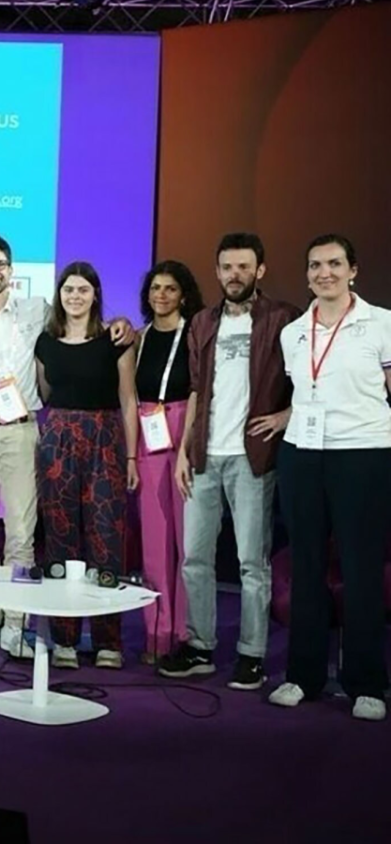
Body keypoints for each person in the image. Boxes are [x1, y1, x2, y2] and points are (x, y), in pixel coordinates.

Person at [0, 234, 134, 658]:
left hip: (21, 428)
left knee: (20, 534)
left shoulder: (36, 312)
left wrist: (128, 325)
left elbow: (86, 321)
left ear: (11, 271)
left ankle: (17, 625)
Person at [160, 233, 298, 691]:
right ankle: (200, 646)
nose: (234, 275)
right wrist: (183, 450)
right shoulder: (203, 322)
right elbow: (198, 389)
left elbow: (311, 376)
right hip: (204, 455)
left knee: (250, 563)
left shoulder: (283, 318)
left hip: (252, 458)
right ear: (217, 272)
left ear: (259, 270)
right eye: (226, 267)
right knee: (195, 558)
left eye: (243, 267)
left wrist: (287, 415)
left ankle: (251, 656)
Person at [270, 235, 390, 722]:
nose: (325, 273)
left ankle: (365, 684)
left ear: (353, 270)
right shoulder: (294, 332)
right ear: (307, 275)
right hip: (303, 454)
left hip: (363, 454)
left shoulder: (381, 324)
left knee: (361, 570)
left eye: (335, 264)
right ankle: (303, 676)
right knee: (307, 565)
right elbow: (302, 391)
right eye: (316, 265)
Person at [35, 261, 140, 669]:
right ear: (59, 296)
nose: (74, 296)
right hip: (59, 439)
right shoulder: (45, 342)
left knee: (105, 537)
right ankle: (63, 639)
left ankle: (108, 641)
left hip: (105, 439)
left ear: (95, 294)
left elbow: (128, 400)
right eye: (68, 290)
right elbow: (46, 392)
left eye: (82, 290)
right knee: (61, 537)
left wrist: (131, 455)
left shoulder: (116, 340)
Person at [133, 260, 205, 663]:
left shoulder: (194, 335)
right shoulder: (139, 339)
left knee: (186, 541)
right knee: (154, 544)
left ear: (184, 295)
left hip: (183, 433)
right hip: (148, 433)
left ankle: (183, 634)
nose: (161, 295)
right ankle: (155, 634)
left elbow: (198, 391)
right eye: (155, 288)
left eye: (170, 289)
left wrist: (186, 446)